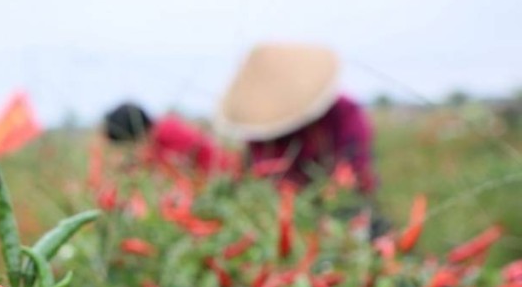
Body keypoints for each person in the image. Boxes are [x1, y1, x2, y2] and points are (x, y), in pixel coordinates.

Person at [214, 43, 377, 194]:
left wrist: (337, 188)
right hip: (286, 203)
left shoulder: (344, 113)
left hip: (341, 199)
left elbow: (356, 168)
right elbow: (262, 173)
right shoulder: (264, 127)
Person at [102, 103, 235, 175]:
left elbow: (183, 163)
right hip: (215, 174)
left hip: (226, 173)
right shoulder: (157, 136)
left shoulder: (166, 129)